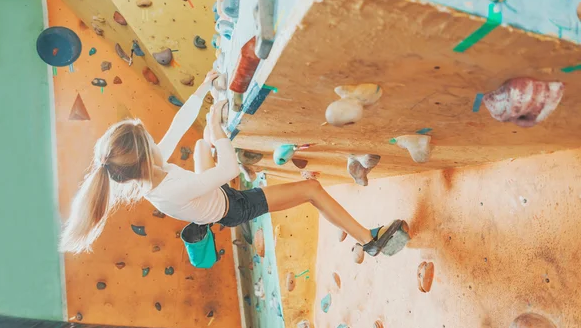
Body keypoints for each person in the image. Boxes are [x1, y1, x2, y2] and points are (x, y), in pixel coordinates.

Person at [59, 71, 406, 259]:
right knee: (311, 190)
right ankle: (369, 241)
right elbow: (227, 173)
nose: (154, 137)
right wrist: (216, 131)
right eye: (148, 136)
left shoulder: (149, 167)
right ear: (145, 154)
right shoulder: (168, 187)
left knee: (197, 144)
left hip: (207, 198)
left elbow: (178, 125)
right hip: (232, 207)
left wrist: (204, 91)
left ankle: (214, 144)